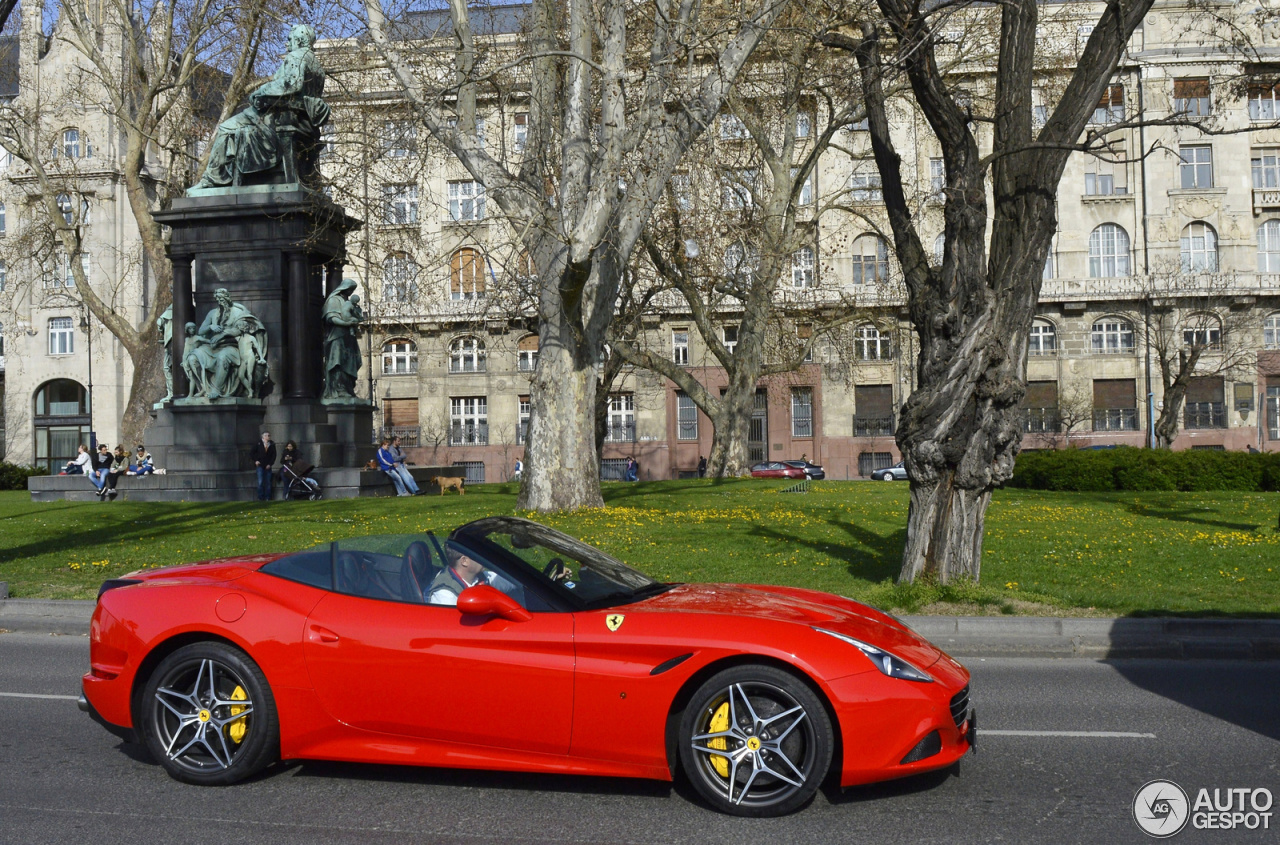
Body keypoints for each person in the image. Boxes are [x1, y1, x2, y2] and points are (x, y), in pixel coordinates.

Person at [250, 431, 277, 501]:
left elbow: (274, 455)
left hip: (268, 465)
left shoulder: (272, 444)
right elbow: (252, 453)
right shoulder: (258, 443)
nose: (269, 437)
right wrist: (256, 460)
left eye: (269, 435)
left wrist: (270, 464)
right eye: (267, 436)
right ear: (263, 436)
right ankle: (260, 497)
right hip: (260, 465)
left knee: (268, 482)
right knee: (260, 482)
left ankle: (268, 497)